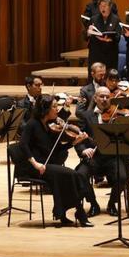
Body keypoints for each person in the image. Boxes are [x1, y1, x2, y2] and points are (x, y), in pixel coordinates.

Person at [16, 95, 92, 227]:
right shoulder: (32, 124)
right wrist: (35, 164)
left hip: (47, 166)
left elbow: (58, 149)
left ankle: (62, 212)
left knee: (68, 176)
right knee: (71, 174)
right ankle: (79, 214)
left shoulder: (49, 126)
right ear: (45, 109)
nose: (57, 110)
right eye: (55, 107)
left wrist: (75, 142)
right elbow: (23, 145)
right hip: (34, 167)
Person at [74, 86, 129, 217]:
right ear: (95, 98)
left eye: (107, 97)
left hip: (112, 157)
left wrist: (128, 120)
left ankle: (112, 204)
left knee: (122, 176)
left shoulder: (116, 115)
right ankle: (93, 204)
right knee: (80, 174)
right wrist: (83, 150)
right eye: (101, 96)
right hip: (93, 157)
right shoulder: (86, 116)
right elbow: (78, 138)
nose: (105, 99)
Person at [85, 0, 121, 69]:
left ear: (110, 7)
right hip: (96, 54)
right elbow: (85, 36)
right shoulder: (93, 19)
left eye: (104, 6)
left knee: (109, 77)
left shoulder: (116, 19)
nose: (102, 8)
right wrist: (88, 33)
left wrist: (110, 39)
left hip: (110, 54)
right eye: (101, 6)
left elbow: (118, 37)